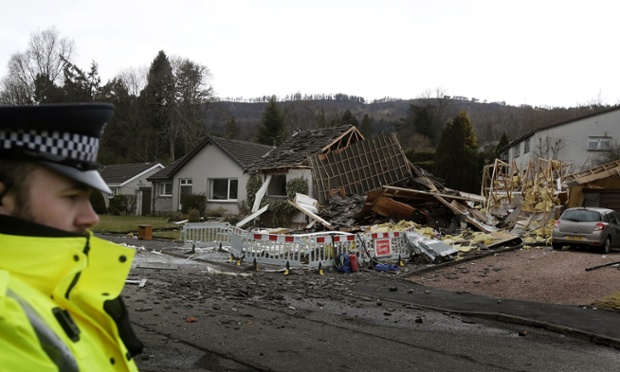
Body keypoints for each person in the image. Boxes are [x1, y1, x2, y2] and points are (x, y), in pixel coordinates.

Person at [0, 103, 143, 371]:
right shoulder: (6, 324)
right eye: (71, 197)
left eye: (87, 198)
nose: (92, 217)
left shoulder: (62, 287)